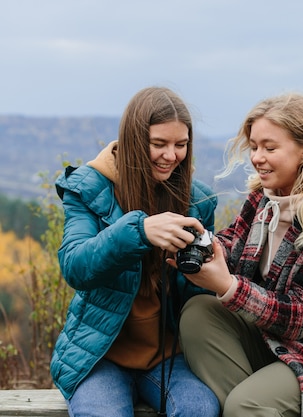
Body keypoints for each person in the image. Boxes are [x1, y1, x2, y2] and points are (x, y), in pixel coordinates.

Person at [173, 93, 303, 417]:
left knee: (245, 405)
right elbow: (233, 243)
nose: (257, 158)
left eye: (269, 148)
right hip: (268, 340)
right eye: (254, 147)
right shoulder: (265, 197)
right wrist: (198, 242)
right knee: (199, 312)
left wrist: (226, 285)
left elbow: (298, 317)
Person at [50, 86, 220, 417]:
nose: (171, 155)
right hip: (101, 355)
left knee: (200, 409)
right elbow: (75, 266)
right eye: (159, 144)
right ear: (133, 140)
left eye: (181, 145)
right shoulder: (88, 188)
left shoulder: (198, 201)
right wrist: (139, 231)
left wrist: (211, 271)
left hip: (171, 355)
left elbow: (197, 294)